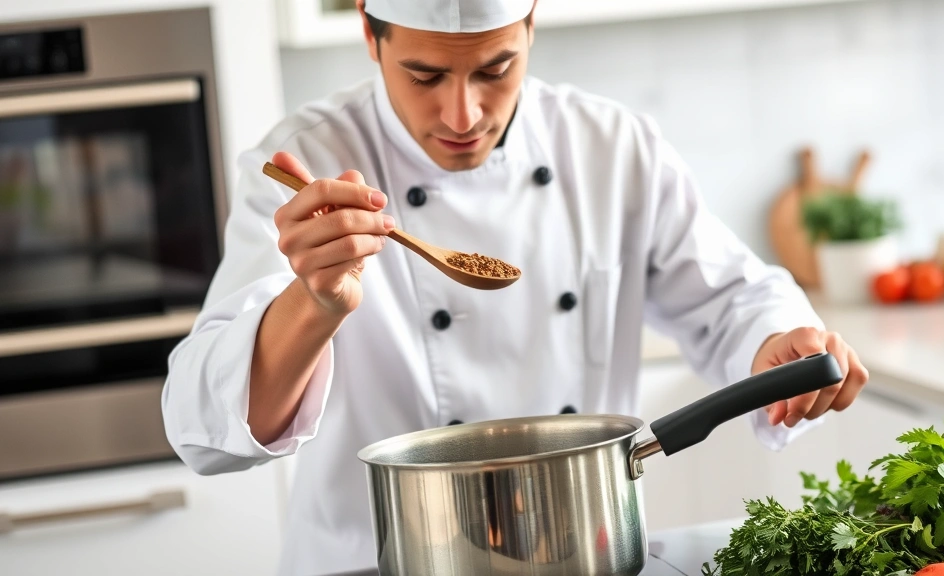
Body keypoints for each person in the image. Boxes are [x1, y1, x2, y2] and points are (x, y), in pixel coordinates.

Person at [161, 0, 869, 573]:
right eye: (426, 76)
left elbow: (730, 298)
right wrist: (313, 303)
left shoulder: (610, 147)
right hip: (371, 563)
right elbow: (203, 425)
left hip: (586, 557)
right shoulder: (308, 161)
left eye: (497, 69)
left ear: (531, 24)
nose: (463, 116)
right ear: (369, 35)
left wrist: (776, 340)